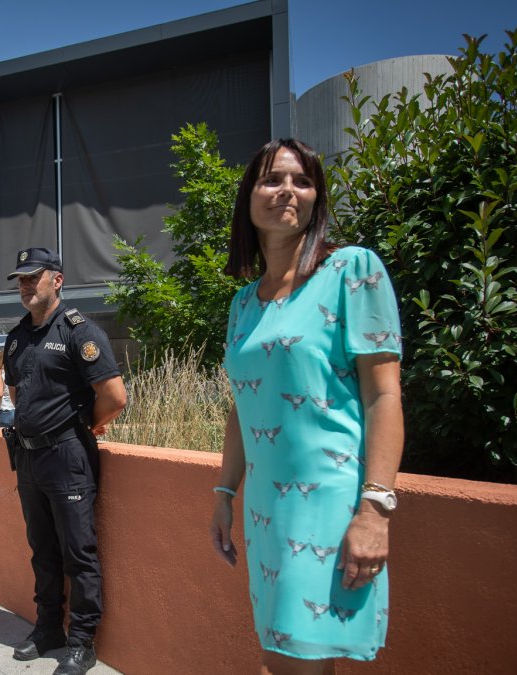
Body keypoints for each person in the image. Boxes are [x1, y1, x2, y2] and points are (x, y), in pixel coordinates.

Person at [208, 139, 404, 672]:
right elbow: (243, 405)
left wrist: (375, 510)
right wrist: (225, 492)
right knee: (280, 653)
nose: (287, 191)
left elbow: (384, 394)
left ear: (317, 197)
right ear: (248, 198)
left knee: (298, 658)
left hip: (329, 506)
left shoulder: (352, 271)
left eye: (302, 180)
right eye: (272, 179)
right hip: (265, 509)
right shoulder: (243, 303)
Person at [2, 247, 127, 675]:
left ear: (57, 280)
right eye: (19, 279)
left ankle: (82, 642)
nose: (23, 285)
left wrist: (81, 427)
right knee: (43, 549)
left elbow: (115, 397)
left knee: (78, 552)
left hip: (67, 455)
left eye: (31, 277)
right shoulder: (16, 336)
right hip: (29, 457)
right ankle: (48, 629)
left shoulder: (79, 331)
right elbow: (18, 395)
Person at [0, 349, 16, 427]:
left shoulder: (1, 372)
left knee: (5, 438)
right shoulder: (16, 370)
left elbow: (0, 393)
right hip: (19, 410)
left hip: (7, 411)